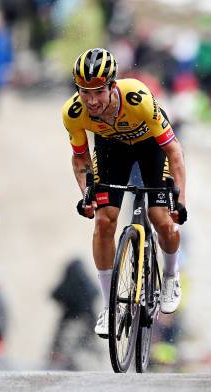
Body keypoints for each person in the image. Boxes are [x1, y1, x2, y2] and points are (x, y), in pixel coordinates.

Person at [61, 48, 188, 338]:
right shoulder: (73, 113)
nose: (91, 100)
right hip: (111, 149)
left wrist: (179, 201)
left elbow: (174, 151)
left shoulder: (138, 98)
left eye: (98, 92)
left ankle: (170, 275)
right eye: (84, 92)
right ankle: (110, 307)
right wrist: (86, 194)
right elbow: (80, 158)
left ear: (112, 86)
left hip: (151, 148)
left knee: (161, 218)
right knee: (105, 221)